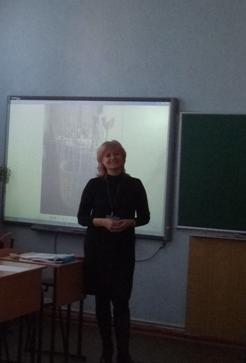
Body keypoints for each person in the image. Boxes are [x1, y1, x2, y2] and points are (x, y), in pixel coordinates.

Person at [77, 140, 150, 363]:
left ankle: (123, 353)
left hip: (122, 250)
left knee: (121, 302)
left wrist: (129, 222)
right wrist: (102, 222)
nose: (112, 158)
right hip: (97, 250)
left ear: (123, 158)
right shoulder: (94, 184)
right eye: (107, 155)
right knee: (101, 302)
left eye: (116, 154)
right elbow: (82, 218)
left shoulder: (135, 184)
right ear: (101, 160)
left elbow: (145, 217)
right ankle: (106, 351)